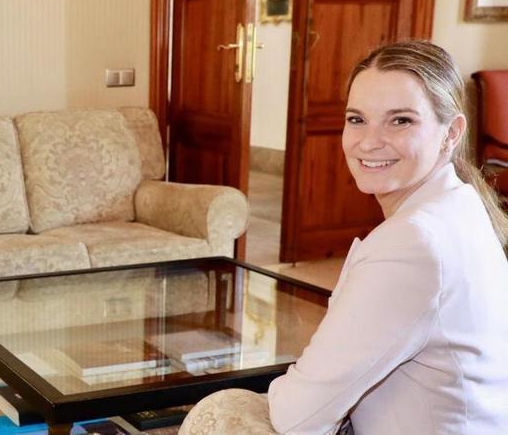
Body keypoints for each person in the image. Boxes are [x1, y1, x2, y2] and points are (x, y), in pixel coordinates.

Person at [180, 41, 508, 435]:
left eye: (400, 121)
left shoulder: (414, 243)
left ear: (451, 132)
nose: (369, 142)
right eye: (357, 119)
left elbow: (297, 416)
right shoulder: (463, 204)